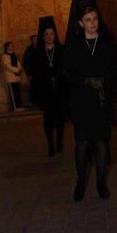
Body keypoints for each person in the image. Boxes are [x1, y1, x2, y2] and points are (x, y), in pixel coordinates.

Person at [62, 0, 117, 201]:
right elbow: (67, 73)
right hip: (81, 101)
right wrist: (86, 80)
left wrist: (105, 83)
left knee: (101, 141)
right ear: (81, 23)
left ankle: (101, 183)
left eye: (95, 19)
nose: (93, 23)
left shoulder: (107, 43)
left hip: (101, 100)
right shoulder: (73, 45)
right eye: (88, 20)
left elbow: (115, 71)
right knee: (82, 141)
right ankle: (81, 181)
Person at [34, 17, 66, 156]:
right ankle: (51, 145)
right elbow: (36, 74)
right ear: (42, 36)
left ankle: (59, 142)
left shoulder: (61, 50)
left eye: (51, 33)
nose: (49, 36)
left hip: (59, 91)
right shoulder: (38, 53)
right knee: (48, 120)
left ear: (55, 35)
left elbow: (66, 70)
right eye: (46, 34)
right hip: (46, 92)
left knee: (60, 119)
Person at [1, 41, 23, 110]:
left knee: (18, 92)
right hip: (10, 77)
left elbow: (18, 63)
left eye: (12, 46)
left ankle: (19, 106)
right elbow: (8, 66)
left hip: (16, 76)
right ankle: (15, 107)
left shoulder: (14, 55)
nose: (12, 47)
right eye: (10, 46)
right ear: (6, 47)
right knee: (13, 93)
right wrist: (17, 70)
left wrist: (20, 69)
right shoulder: (4, 56)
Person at [23, 34, 38, 106]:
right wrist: (28, 73)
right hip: (33, 72)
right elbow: (26, 62)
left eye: (37, 39)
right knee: (34, 87)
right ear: (32, 41)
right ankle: (34, 102)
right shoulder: (29, 50)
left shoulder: (42, 48)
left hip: (42, 72)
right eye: (34, 39)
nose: (36, 41)